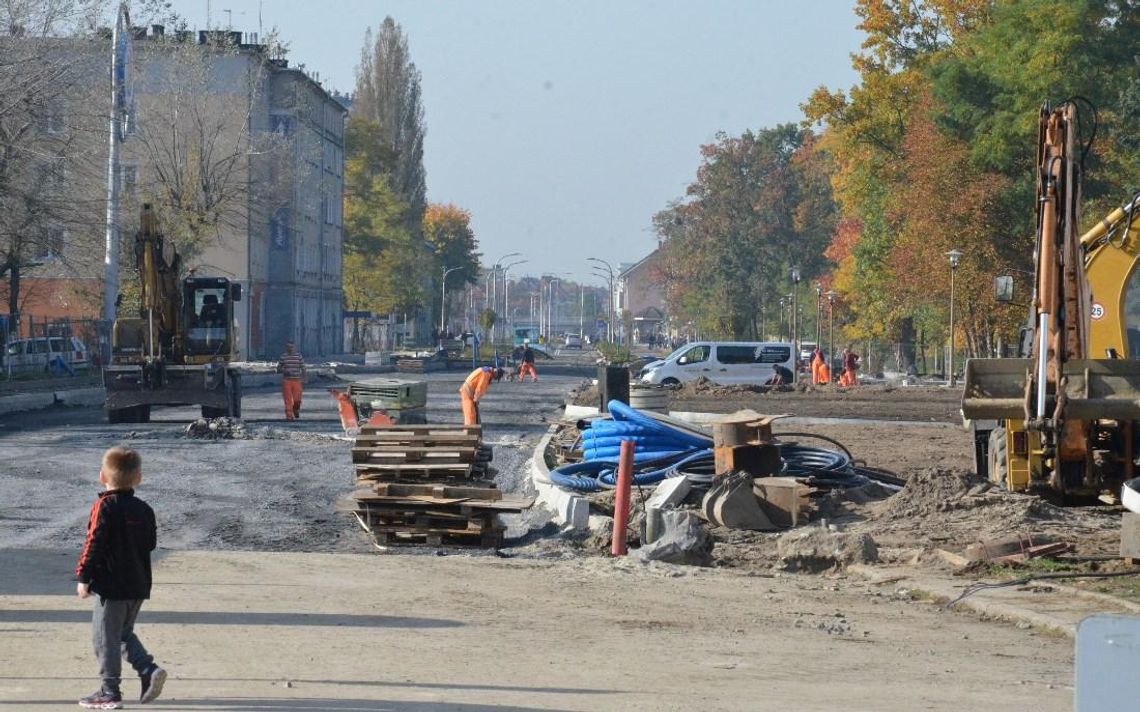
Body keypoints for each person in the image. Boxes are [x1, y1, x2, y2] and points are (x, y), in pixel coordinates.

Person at [75, 447, 166, 709]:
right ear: (139, 478)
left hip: (111, 586)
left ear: (102, 476)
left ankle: (109, 691)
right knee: (121, 633)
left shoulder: (104, 505)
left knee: (104, 637)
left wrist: (84, 576)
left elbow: (94, 542)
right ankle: (147, 669)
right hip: (137, 583)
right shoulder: (144, 509)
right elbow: (149, 543)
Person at [276, 341, 305, 420]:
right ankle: (289, 416)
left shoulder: (298, 356)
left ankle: (296, 409)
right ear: (286, 348)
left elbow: (303, 368)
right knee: (288, 399)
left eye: (291, 347)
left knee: (297, 399)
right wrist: (284, 370)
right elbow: (278, 368)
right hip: (287, 381)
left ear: (294, 348)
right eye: (288, 347)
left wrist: (304, 377)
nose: (290, 349)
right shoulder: (283, 357)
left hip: (297, 380)